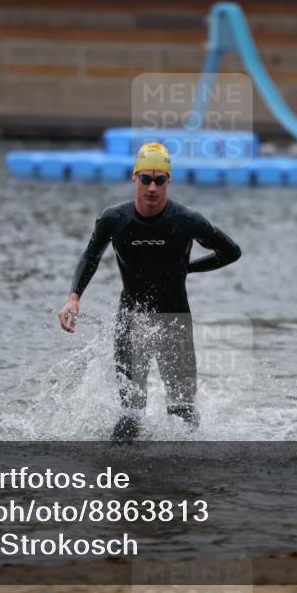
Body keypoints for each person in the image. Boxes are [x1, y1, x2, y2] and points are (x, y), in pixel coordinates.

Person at [58, 142, 242, 442]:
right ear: (135, 178)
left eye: (159, 179)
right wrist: (74, 298)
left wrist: (189, 269)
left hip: (175, 321)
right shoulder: (114, 219)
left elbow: (231, 252)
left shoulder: (186, 219)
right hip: (131, 319)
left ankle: (186, 482)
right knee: (130, 415)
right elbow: (90, 256)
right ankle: (119, 482)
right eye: (146, 178)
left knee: (183, 412)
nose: (152, 187)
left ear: (169, 181)